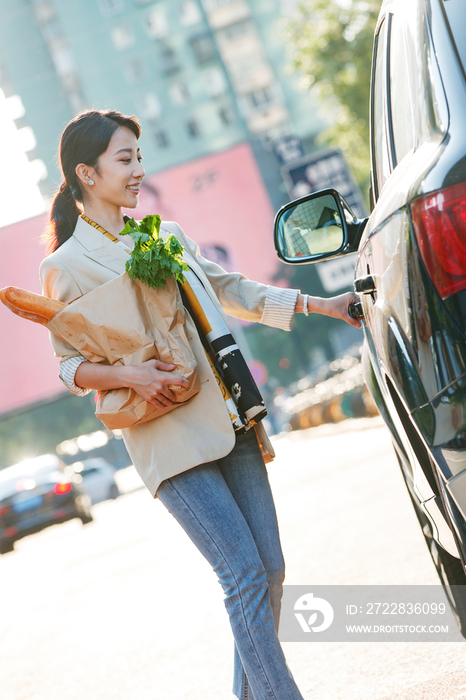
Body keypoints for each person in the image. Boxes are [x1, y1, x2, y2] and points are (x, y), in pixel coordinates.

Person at [39, 109, 361, 700]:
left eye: (139, 156)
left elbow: (230, 289)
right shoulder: (65, 267)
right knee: (240, 572)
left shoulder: (164, 235)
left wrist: (323, 305)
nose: (139, 169)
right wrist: (129, 374)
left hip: (229, 417)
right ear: (86, 173)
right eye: (125, 159)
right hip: (167, 439)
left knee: (268, 571)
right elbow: (67, 365)